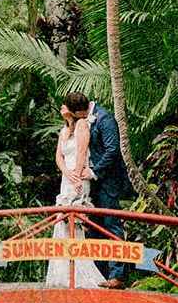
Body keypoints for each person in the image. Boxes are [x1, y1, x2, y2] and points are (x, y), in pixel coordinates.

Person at [65, 91, 131, 286]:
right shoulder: (84, 119)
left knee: (112, 226)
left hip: (107, 181)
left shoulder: (104, 118)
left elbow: (113, 150)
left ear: (78, 111)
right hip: (94, 184)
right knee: (95, 227)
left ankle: (117, 275)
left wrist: (94, 172)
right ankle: (101, 273)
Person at [45, 100, 107, 289]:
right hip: (67, 178)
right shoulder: (63, 131)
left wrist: (77, 175)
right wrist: (66, 172)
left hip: (79, 175)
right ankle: (63, 274)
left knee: (75, 221)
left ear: (73, 110)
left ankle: (78, 275)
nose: (61, 107)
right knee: (62, 220)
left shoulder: (82, 124)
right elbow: (58, 156)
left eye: (65, 105)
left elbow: (81, 151)